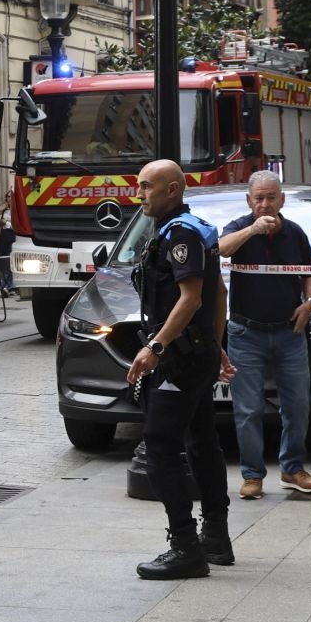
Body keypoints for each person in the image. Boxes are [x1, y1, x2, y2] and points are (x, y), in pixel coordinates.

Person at [124, 159, 233, 580]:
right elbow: (218, 292)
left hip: (179, 359)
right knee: (203, 441)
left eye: (147, 186)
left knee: (159, 445)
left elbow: (192, 298)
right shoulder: (189, 230)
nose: (140, 194)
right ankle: (216, 539)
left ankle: (186, 546)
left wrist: (156, 346)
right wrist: (217, 347)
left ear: (172, 190)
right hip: (196, 354)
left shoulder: (181, 234)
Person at [219, 172, 311, 496]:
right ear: (249, 201)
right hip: (245, 333)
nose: (265, 204)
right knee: (247, 409)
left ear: (282, 200)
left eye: (271, 197)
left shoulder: (294, 233)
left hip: (289, 333)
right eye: (258, 198)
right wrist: (252, 229)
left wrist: (309, 304)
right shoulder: (237, 227)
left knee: (296, 406)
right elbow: (221, 250)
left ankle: (293, 469)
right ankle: (252, 476)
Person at [0, 211, 17, 297]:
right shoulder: (3, 210)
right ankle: (5, 286)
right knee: (3, 261)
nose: (9, 198)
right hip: (4, 238)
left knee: (12, 262)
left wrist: (6, 223)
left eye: (10, 196)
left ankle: (10, 286)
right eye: (7, 196)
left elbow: (17, 226)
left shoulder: (16, 208)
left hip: (14, 237)